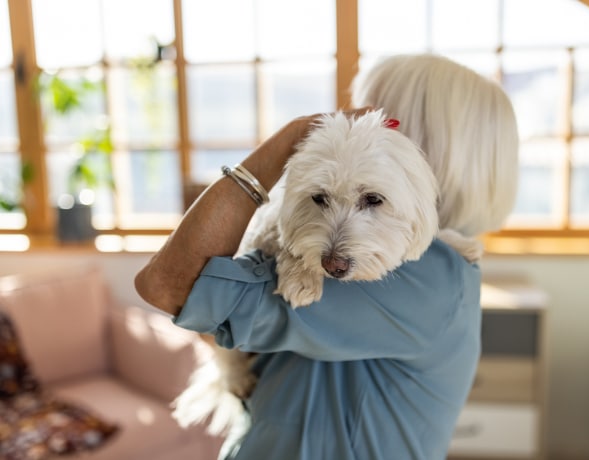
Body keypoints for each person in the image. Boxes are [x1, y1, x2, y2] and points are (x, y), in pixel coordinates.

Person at [135, 54, 519, 460]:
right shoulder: (429, 263)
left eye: (377, 114)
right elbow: (216, 328)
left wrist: (288, 140)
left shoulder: (426, 275)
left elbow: (172, 286)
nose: (350, 118)